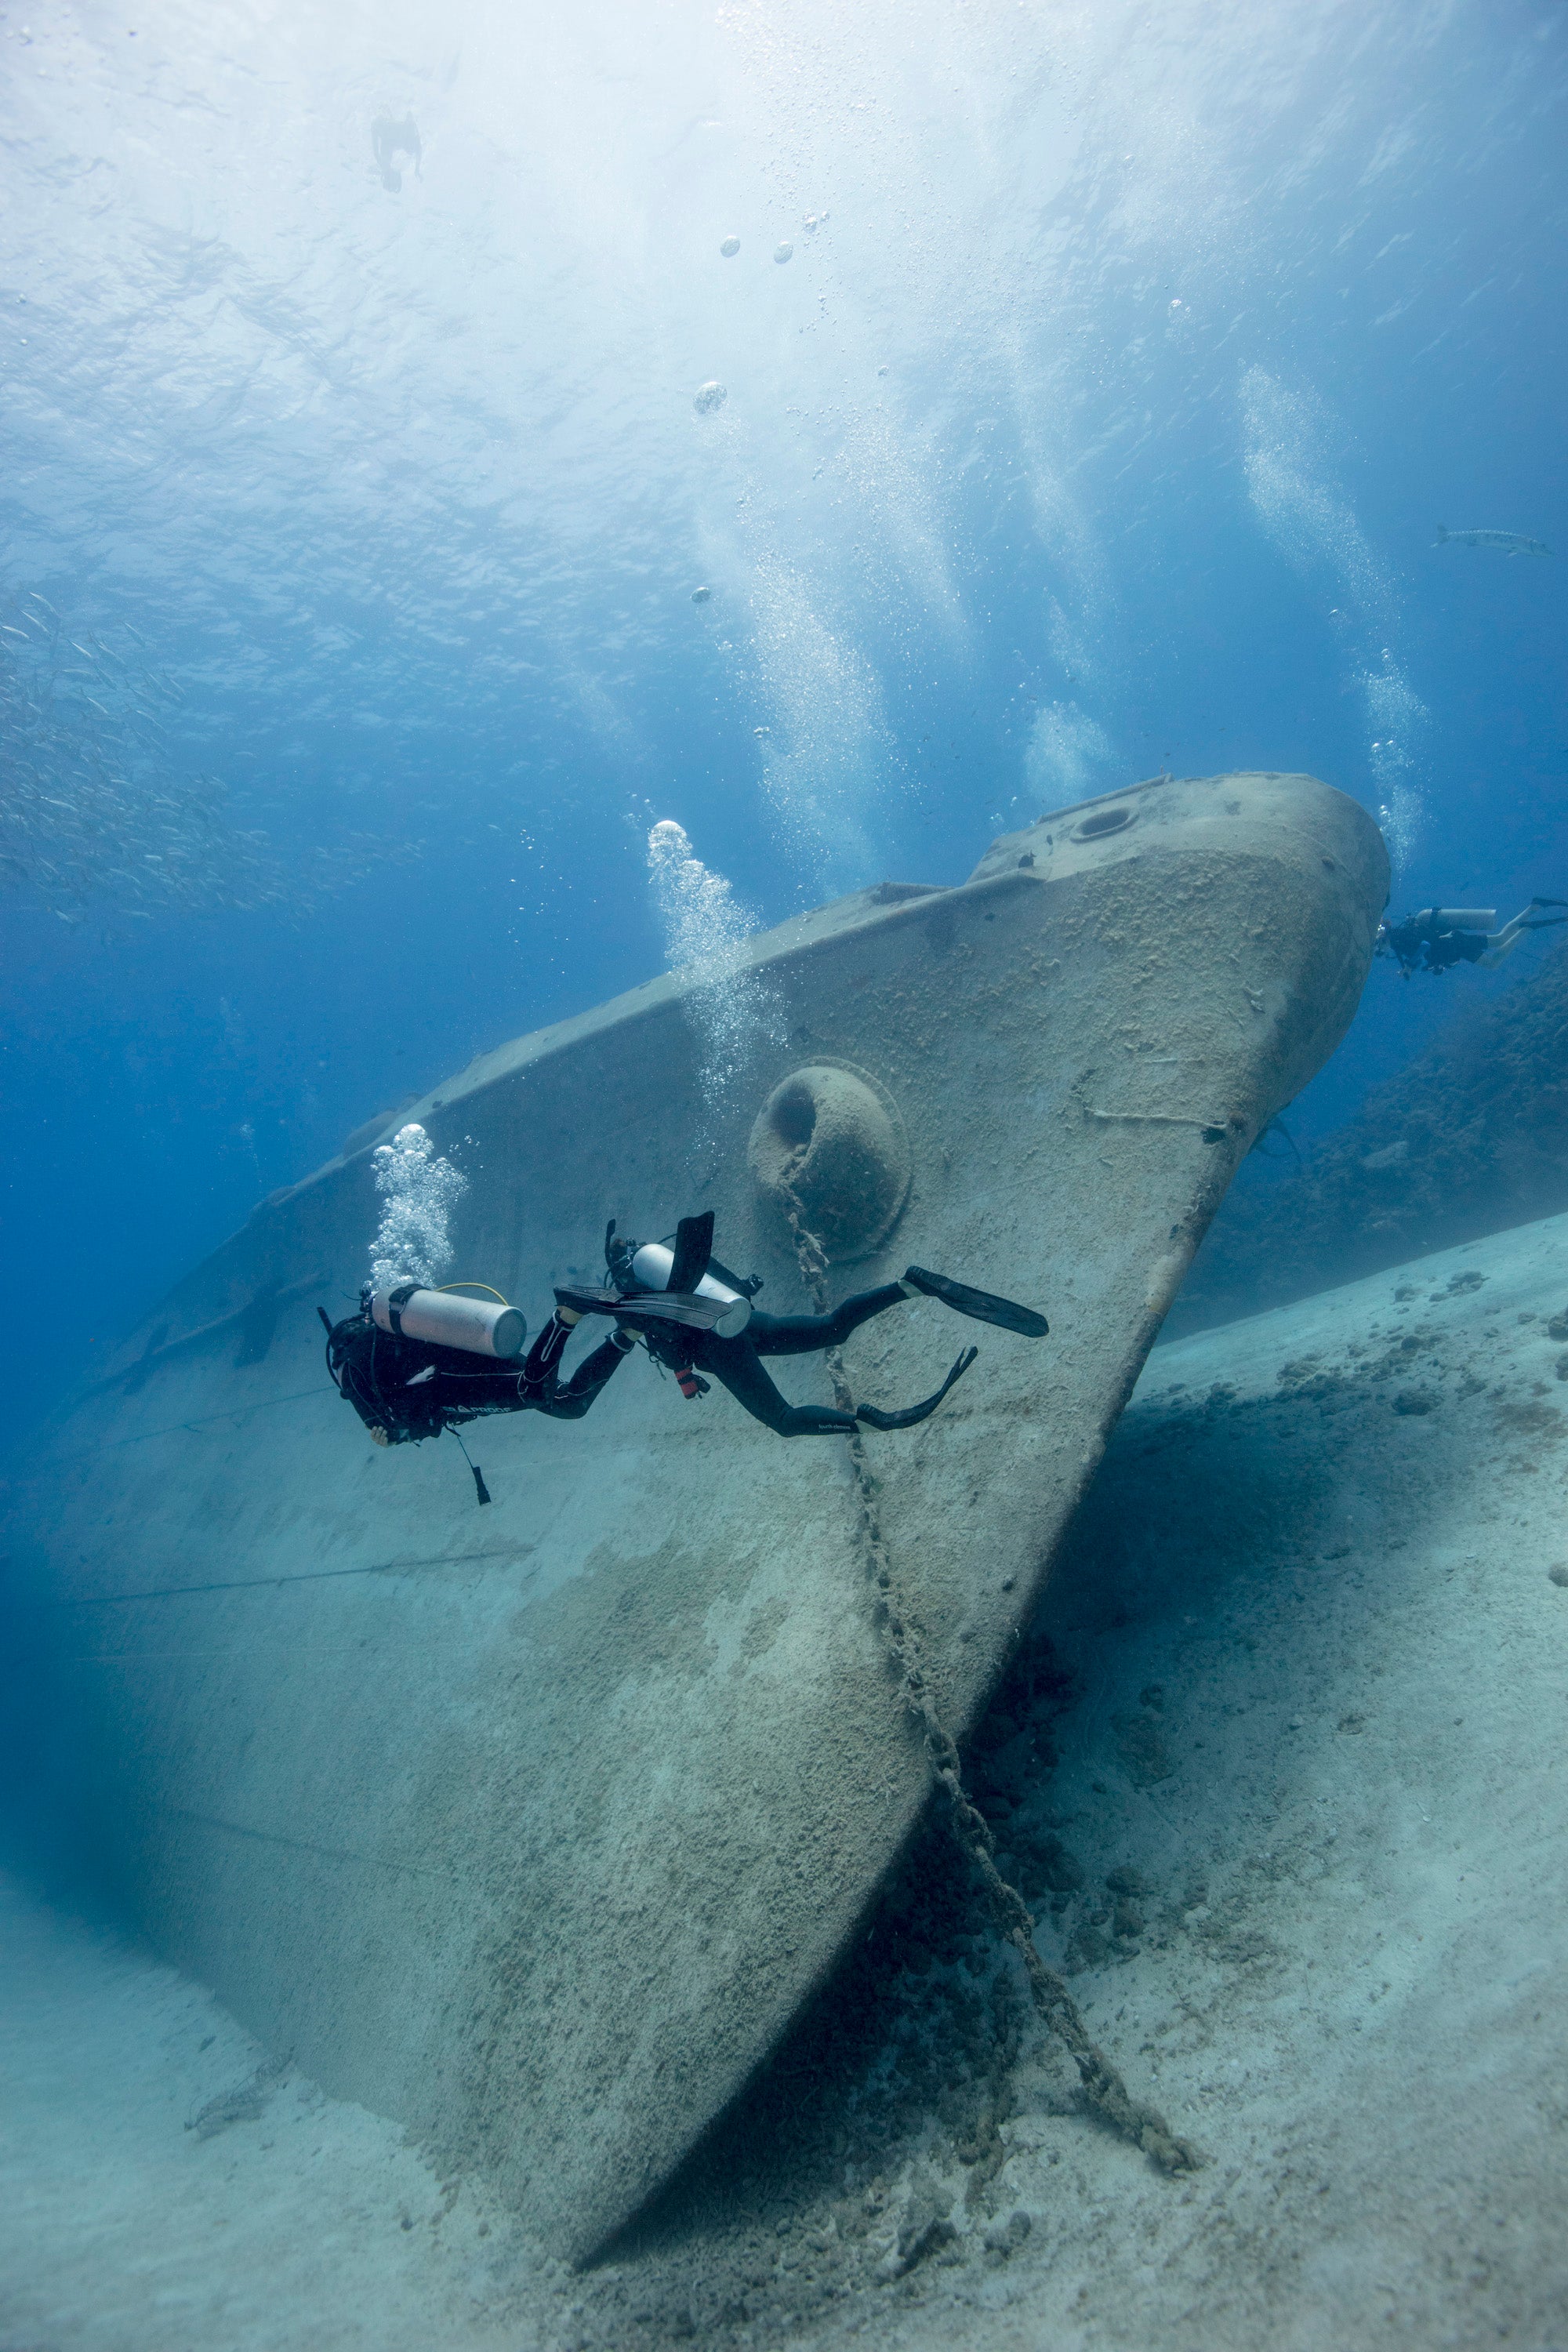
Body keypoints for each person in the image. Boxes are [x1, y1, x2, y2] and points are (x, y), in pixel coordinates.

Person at [323, 1211, 1047, 1458]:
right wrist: (679, 1371)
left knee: (785, 1421)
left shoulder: (632, 1302)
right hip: (736, 1322)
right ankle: (912, 1285)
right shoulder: (653, 1280)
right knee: (830, 1329)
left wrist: (673, 1363)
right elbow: (686, 1315)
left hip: (718, 1344)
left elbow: (663, 1336)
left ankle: (867, 1421)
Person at [1376, 898, 1568, 978]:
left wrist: (1410, 964)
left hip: (1454, 944)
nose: (1380, 952)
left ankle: (1530, 920)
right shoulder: (1399, 942)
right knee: (1496, 950)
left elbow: (1425, 944)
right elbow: (1423, 949)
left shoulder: (1400, 938)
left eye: (1378, 948)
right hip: (1454, 945)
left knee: (1497, 950)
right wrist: (1411, 965)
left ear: (1382, 938)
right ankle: (1533, 911)